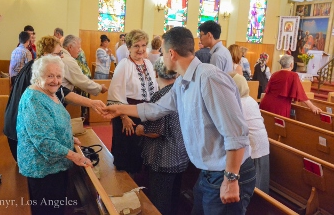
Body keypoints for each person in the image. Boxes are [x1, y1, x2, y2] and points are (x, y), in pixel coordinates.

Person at [104, 26, 255, 215]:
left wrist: (231, 179)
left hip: (226, 172)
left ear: (171, 53)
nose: (160, 57)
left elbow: (236, 133)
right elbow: (155, 109)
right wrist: (118, 109)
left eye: (162, 53)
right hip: (209, 172)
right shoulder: (183, 81)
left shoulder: (209, 78)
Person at [4, 36, 106, 162]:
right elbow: (42, 138)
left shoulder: (37, 67)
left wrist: (91, 103)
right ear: (47, 55)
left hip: (16, 129)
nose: (62, 56)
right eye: (59, 53)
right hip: (18, 134)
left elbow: (62, 91)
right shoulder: (37, 74)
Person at [16, 55, 93, 215]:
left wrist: (69, 139)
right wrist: (75, 156)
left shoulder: (49, 92)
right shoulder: (34, 100)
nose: (55, 81)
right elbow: (44, 141)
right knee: (48, 210)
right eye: (49, 75)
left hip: (55, 165)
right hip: (43, 170)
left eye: (58, 76)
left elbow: (51, 125)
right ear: (37, 76)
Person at [136, 57, 189, 215]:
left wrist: (140, 130)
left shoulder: (160, 96)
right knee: (173, 199)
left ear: (156, 72)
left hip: (163, 159)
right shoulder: (183, 91)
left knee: (160, 203)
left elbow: (155, 132)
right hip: (180, 155)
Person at [107, 29, 157, 174]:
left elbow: (153, 89)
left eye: (143, 45)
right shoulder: (124, 65)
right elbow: (114, 94)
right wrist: (124, 116)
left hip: (145, 113)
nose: (140, 49)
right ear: (128, 47)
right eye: (136, 45)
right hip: (127, 115)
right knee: (127, 159)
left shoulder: (148, 63)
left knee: (142, 158)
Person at [230, 73, 269, 194]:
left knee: (254, 183)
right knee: (260, 177)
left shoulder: (238, 103)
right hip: (261, 141)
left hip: (254, 145)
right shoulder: (250, 99)